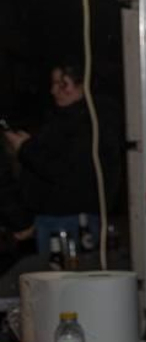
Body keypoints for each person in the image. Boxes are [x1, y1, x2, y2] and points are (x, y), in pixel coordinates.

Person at [2, 63, 119, 259]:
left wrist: (25, 149)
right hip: (53, 218)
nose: (54, 90)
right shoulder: (64, 118)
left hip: (71, 220)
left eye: (63, 84)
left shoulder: (92, 122)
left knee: (69, 283)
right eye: (53, 84)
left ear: (84, 85)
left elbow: (65, 170)